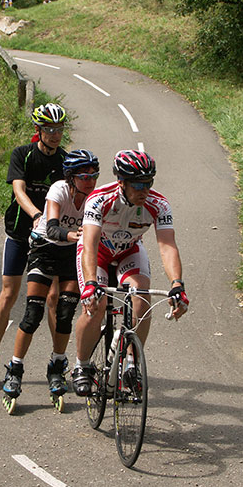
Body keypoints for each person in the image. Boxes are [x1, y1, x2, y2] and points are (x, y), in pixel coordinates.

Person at [71, 150, 190, 396]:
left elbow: (167, 246)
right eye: (137, 184)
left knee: (141, 300)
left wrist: (177, 284)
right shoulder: (99, 200)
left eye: (148, 183)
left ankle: (132, 363)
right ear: (121, 182)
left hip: (129, 252)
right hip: (98, 253)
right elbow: (90, 244)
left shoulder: (158, 204)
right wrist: (91, 283)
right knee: (97, 304)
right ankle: (81, 366)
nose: (143, 190)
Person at [0, 103, 70, 380]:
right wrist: (36, 215)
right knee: (9, 293)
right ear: (38, 130)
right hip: (20, 232)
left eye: (59, 129)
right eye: (49, 129)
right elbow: (19, 189)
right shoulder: (23, 155)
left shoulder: (65, 161)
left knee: (54, 298)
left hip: (49, 239)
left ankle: (58, 359)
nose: (55, 135)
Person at [1, 150, 100, 400]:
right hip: (45, 249)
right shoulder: (58, 190)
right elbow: (53, 228)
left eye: (93, 176)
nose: (90, 182)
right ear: (70, 177)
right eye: (84, 177)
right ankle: (15, 368)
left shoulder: (95, 198)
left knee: (65, 314)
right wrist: (74, 235)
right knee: (33, 314)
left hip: (71, 255)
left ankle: (56, 366)